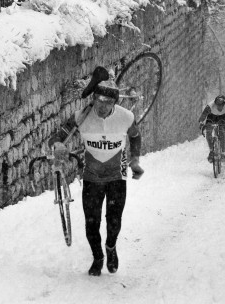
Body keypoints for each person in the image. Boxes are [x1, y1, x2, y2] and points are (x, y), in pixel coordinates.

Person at [49, 66, 144, 276]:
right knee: (92, 223)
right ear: (94, 99)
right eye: (99, 101)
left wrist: (135, 160)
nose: (102, 107)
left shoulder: (126, 117)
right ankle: (97, 257)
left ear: (115, 103)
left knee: (113, 220)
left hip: (116, 176)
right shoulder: (81, 117)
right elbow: (57, 137)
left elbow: (135, 136)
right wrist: (58, 146)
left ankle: (111, 247)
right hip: (92, 177)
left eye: (108, 103)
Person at [198, 95, 225, 162]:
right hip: (212, 117)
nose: (219, 107)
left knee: (223, 132)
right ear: (215, 103)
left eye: (221, 105)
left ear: (224, 104)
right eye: (218, 105)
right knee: (208, 132)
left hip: (222, 117)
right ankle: (211, 151)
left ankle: (223, 153)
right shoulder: (210, 105)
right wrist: (201, 121)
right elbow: (204, 114)